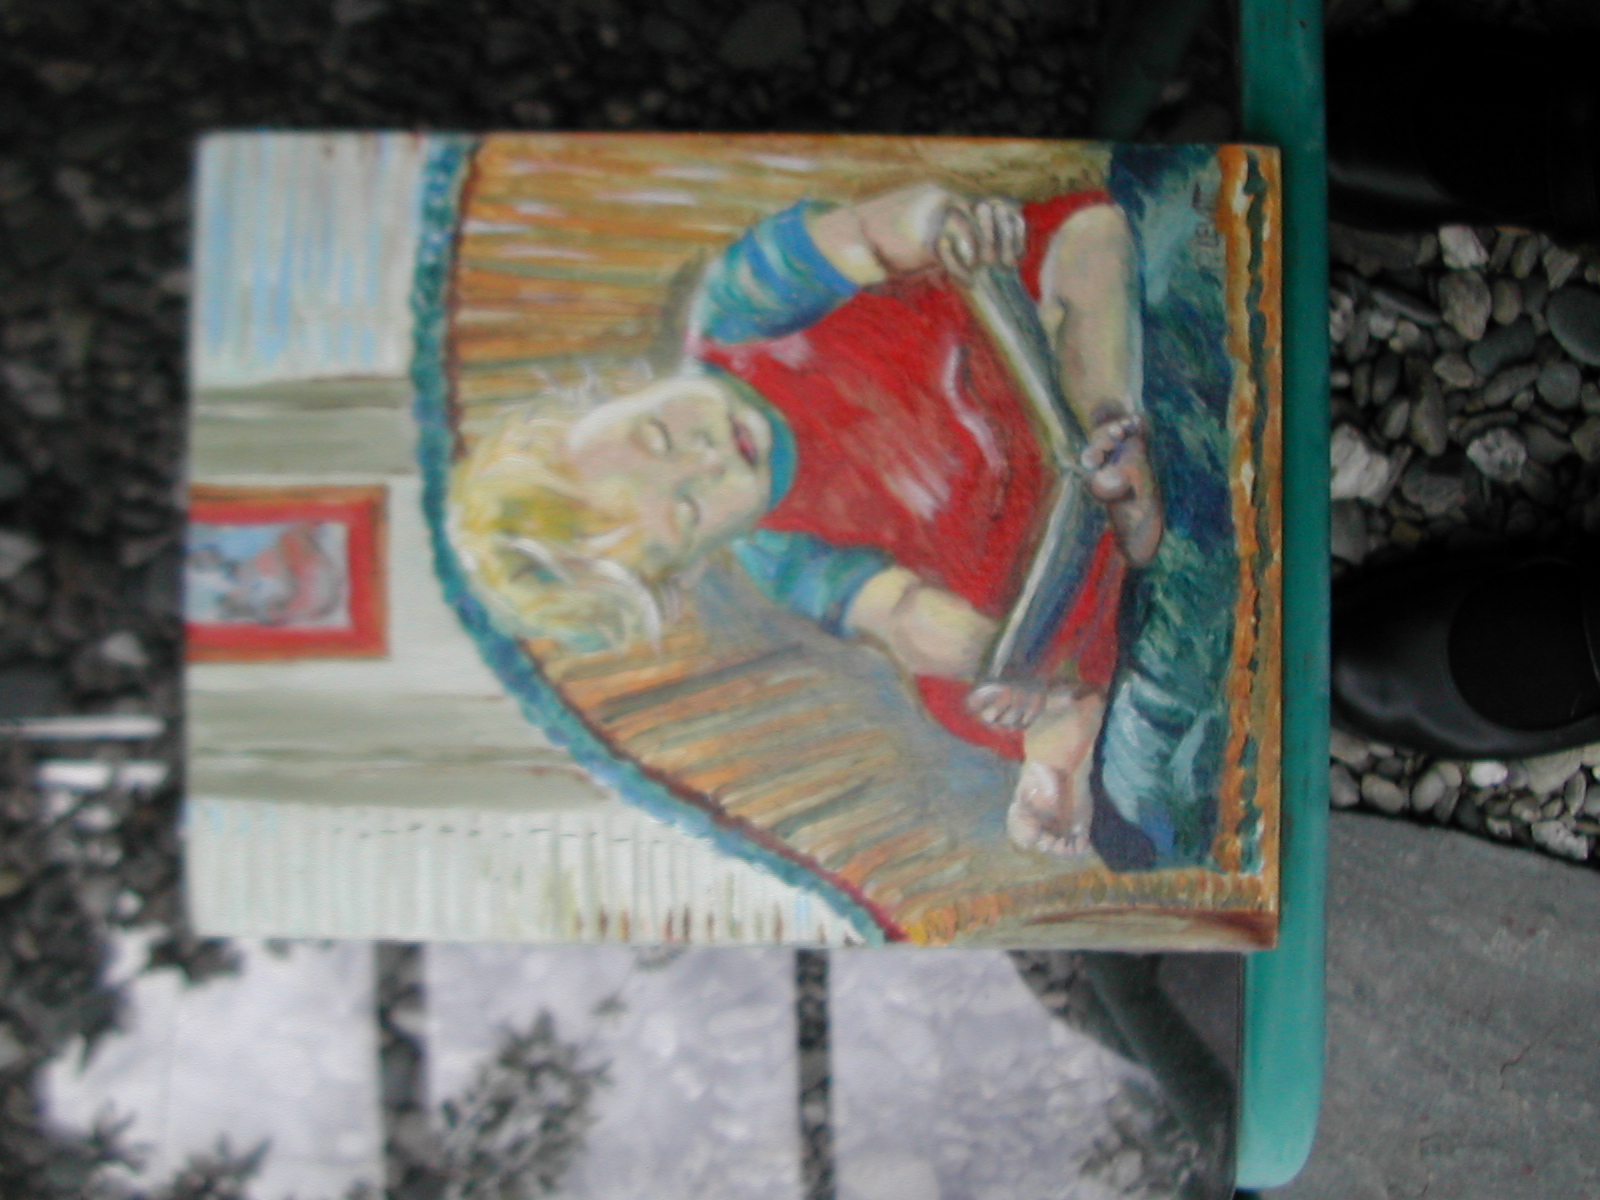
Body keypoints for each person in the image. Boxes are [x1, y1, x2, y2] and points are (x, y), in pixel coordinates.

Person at [450, 182, 1162, 859]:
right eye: (690, 507)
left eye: (659, 435)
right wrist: (998, 660)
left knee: (1090, 239)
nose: (705, 458)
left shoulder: (736, 309)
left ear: (623, 391)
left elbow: (865, 234)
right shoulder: (779, 556)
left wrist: (937, 224)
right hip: (1028, 538)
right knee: (955, 691)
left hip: (1017, 339)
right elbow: (899, 612)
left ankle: (1112, 435)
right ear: (692, 562)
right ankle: (1056, 720)